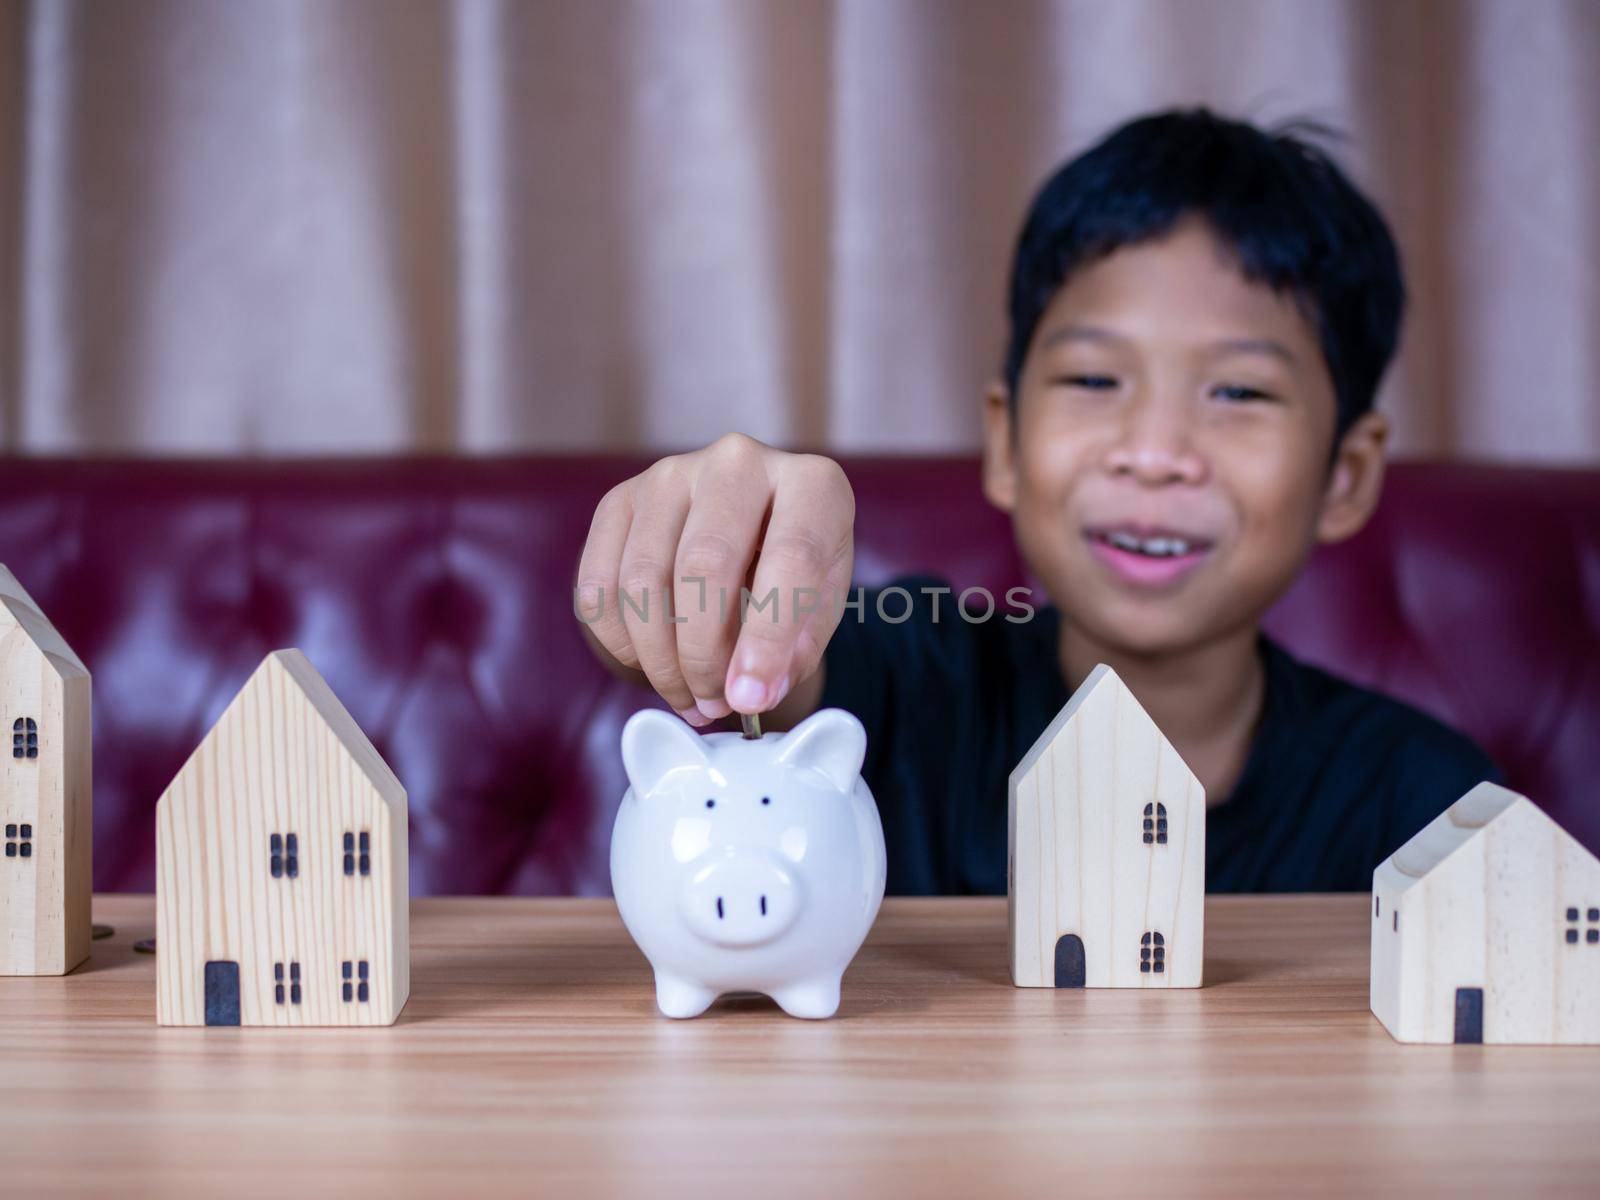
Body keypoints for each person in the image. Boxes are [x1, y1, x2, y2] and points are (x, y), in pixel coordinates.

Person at [576, 107, 1502, 894]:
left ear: (1346, 475)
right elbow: (758, 660)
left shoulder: (1416, 801)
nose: (1153, 454)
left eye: (1239, 393)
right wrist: (715, 563)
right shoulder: (908, 687)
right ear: (1007, 442)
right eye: (1096, 379)